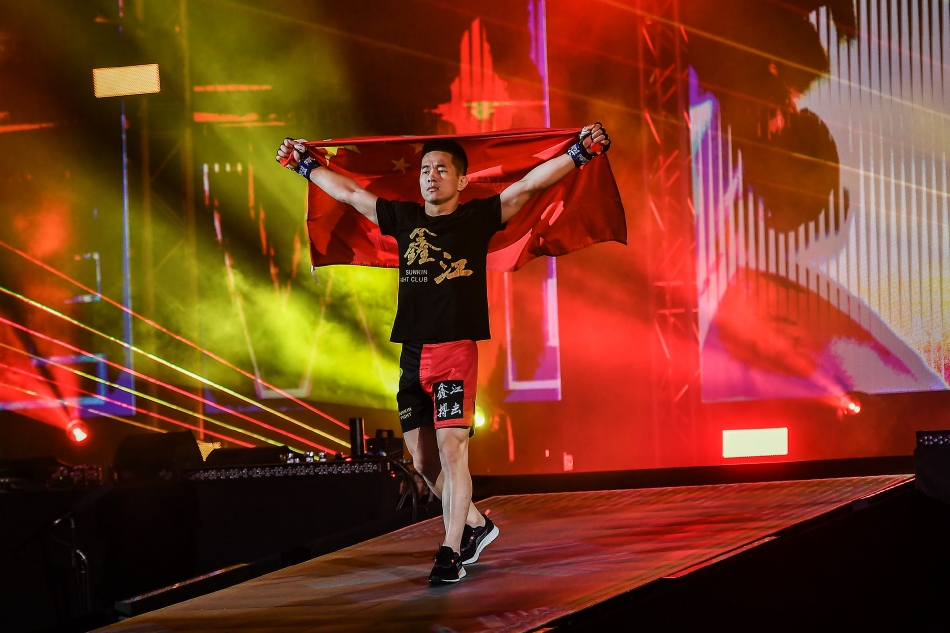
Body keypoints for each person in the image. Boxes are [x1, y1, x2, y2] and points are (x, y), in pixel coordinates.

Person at [276, 123, 611, 584]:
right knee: (423, 463)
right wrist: (305, 166)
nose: (431, 176)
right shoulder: (403, 218)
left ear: (462, 180)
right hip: (412, 354)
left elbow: (530, 185)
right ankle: (476, 525)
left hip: (455, 353)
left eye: (441, 170)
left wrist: (579, 153)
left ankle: (450, 552)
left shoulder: (477, 218)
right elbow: (351, 194)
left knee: (453, 452)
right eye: (425, 170)